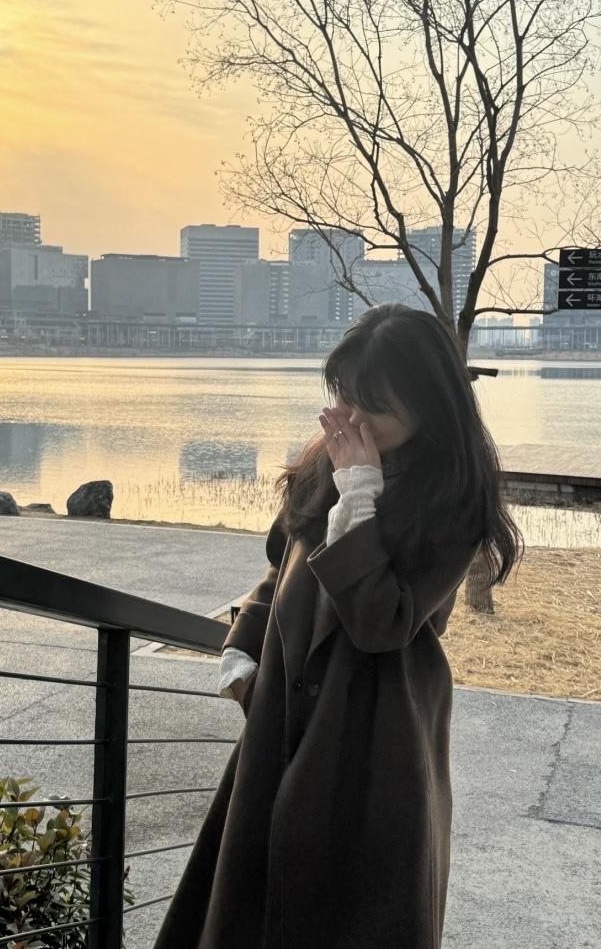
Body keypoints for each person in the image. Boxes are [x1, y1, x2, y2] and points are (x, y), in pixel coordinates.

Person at [152, 302, 524, 949]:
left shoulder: (452, 497)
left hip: (376, 734)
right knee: (249, 904)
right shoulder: (329, 456)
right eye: (346, 396)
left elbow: (384, 622)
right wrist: (242, 648)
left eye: (374, 407)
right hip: (281, 716)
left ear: (429, 407)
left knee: (351, 911)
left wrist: (359, 495)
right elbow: (283, 562)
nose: (351, 419)